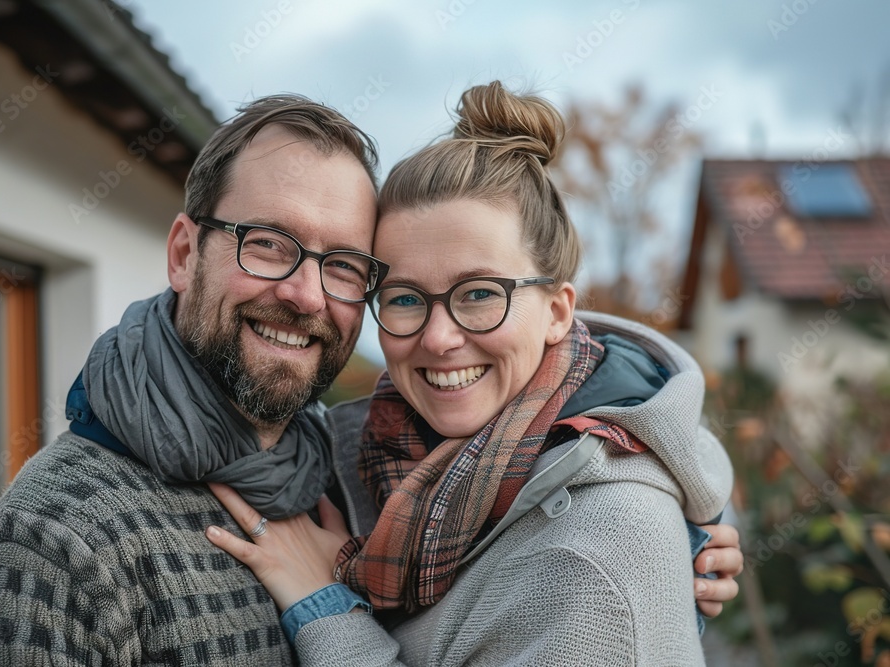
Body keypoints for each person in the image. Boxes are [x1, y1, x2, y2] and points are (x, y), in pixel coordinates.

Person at [0, 93, 740, 665]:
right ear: (186, 252)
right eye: (267, 242)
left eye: (339, 265)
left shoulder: (342, 475)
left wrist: (676, 537)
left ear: (559, 310)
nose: (303, 293)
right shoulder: (58, 544)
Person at [206, 81, 737, 666]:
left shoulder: (600, 552)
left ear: (557, 312)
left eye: (480, 293)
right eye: (405, 299)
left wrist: (326, 608)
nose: (438, 338)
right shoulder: (369, 455)